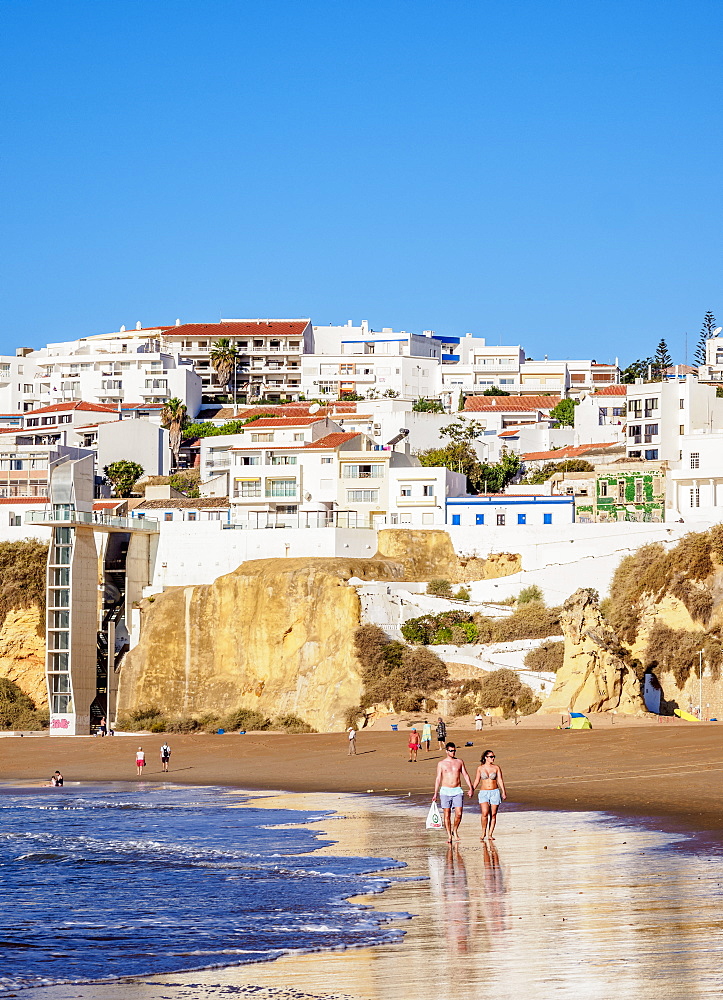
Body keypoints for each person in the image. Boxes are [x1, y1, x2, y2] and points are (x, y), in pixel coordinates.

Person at [432, 742, 473, 843]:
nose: (453, 752)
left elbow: (465, 775)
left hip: (457, 790)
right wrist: (435, 793)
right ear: (446, 751)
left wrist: (471, 788)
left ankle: (455, 830)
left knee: (458, 814)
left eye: (454, 750)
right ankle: (449, 835)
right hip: (445, 790)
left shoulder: (459, 761)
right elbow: (438, 778)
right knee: (447, 814)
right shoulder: (441, 763)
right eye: (451, 751)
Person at [472, 749, 507, 841]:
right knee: (484, 813)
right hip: (484, 792)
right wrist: (472, 789)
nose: (493, 758)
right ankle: (483, 832)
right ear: (486, 757)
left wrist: (503, 791)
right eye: (491, 757)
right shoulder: (480, 768)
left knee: (493, 814)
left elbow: (500, 780)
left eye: (493, 757)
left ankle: (490, 834)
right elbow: (477, 780)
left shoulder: (496, 768)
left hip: (494, 792)